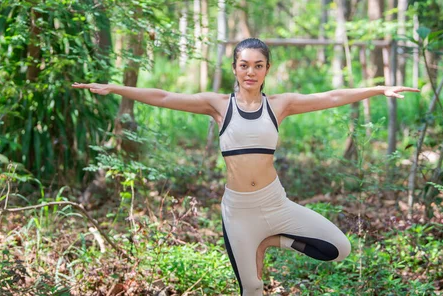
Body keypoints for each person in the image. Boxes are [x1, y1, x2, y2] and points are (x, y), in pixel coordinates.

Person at [73, 38, 419, 295]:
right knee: (251, 290)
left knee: (339, 249)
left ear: (267, 69)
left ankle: (271, 240)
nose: (250, 71)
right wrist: (115, 87)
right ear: (235, 68)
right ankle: (259, 239)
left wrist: (378, 89)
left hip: (276, 203)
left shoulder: (281, 105)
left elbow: (329, 96)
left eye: (258, 65)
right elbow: (163, 97)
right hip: (239, 212)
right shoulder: (218, 105)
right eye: (244, 64)